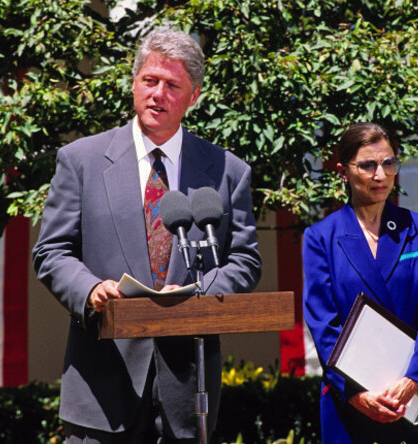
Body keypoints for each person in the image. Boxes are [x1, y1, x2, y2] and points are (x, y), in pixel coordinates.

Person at [33, 28, 262, 443]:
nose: (157, 94)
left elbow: (245, 260)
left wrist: (198, 292)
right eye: (149, 81)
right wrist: (89, 290)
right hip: (102, 381)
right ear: (134, 83)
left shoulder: (227, 171)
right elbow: (52, 250)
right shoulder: (81, 160)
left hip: (189, 388)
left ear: (193, 97)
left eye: (172, 85)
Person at [302, 122, 418, 443]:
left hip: (413, 399)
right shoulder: (320, 238)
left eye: (388, 163)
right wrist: (357, 395)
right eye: (368, 165)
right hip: (351, 402)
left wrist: (412, 380)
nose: (380, 175)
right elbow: (323, 326)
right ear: (343, 171)